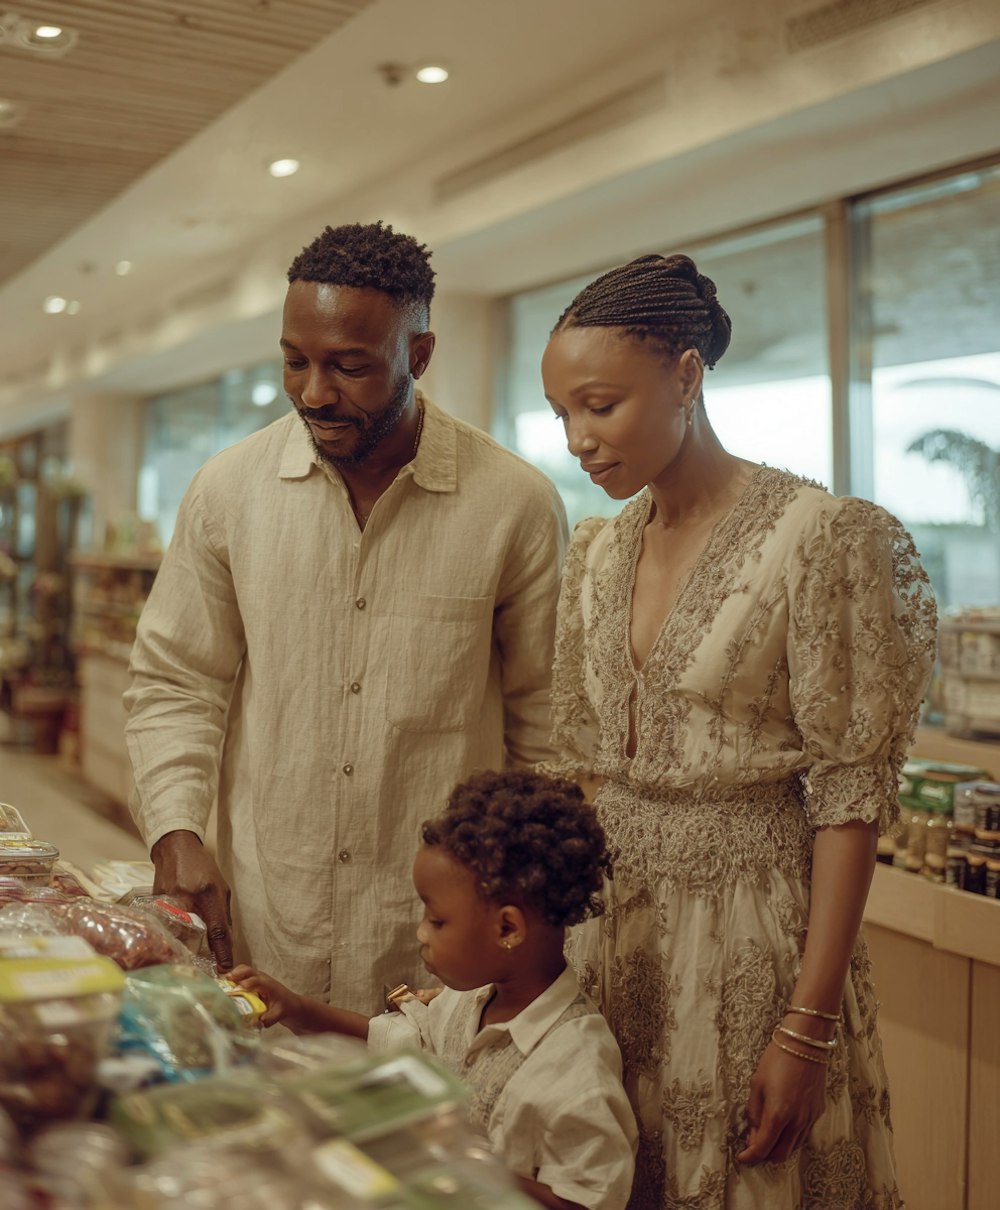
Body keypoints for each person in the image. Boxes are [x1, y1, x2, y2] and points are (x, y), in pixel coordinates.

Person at [539, 253, 937, 1209]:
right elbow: (587, 768)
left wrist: (807, 1026)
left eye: (600, 405)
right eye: (562, 415)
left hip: (754, 931)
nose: (579, 440)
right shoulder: (597, 549)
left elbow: (848, 799)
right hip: (613, 924)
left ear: (686, 374)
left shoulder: (824, 537)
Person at [123, 221, 567, 1012]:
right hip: (269, 920)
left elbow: (549, 725)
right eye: (296, 361)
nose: (314, 393)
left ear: (419, 355)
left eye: (350, 367)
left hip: (441, 951)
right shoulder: (228, 491)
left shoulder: (514, 505)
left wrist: (528, 917)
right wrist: (177, 830)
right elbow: (176, 680)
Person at [232, 769, 638, 1210]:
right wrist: (297, 1009)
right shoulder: (471, 1000)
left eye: (437, 920)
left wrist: (455, 1155)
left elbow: (585, 1201)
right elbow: (399, 1042)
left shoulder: (576, 1069)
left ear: (507, 927)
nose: (421, 934)